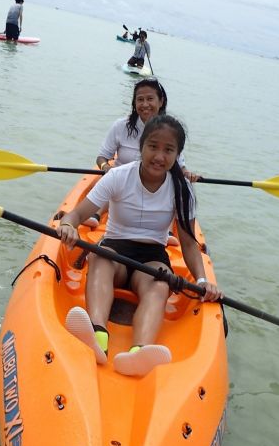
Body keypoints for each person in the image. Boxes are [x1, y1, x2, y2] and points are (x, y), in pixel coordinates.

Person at [58, 115, 222, 377]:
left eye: (168, 150)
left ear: (177, 155)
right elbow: (76, 215)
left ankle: (139, 351)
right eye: (153, 147)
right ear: (142, 146)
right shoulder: (118, 176)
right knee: (100, 257)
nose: (159, 156)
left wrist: (203, 281)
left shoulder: (182, 190)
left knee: (161, 283)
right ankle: (98, 335)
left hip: (152, 257)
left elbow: (189, 244)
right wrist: (68, 225)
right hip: (115, 249)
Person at [84, 78, 197, 228]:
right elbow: (102, 156)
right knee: (115, 182)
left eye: (150, 99)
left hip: (155, 184)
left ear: (161, 101)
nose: (145, 104)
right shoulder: (120, 126)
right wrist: (106, 167)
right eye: (140, 100)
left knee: (173, 189)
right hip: (121, 183)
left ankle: (169, 231)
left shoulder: (170, 131)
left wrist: (187, 174)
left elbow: (180, 166)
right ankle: (95, 215)